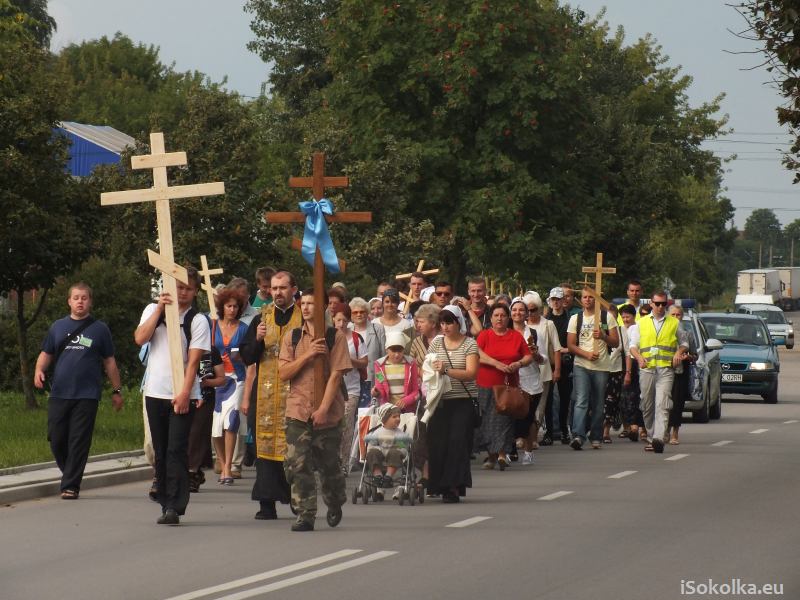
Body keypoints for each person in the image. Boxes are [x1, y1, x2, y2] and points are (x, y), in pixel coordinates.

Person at [134, 268, 211, 525]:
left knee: (176, 449)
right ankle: (165, 499)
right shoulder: (151, 310)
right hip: (154, 391)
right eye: (179, 287)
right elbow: (139, 338)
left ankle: (175, 506)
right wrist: (158, 310)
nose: (183, 293)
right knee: (160, 449)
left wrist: (185, 392)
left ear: (195, 291)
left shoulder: (197, 320)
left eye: (188, 288)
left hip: (181, 394)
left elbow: (193, 361)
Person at [33, 282, 123, 500]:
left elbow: (109, 362)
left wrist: (116, 390)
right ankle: (71, 472)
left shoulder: (100, 329)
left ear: (90, 301)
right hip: (60, 393)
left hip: (87, 394)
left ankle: (71, 485)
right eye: (76, 297)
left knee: (79, 440)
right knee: (56, 439)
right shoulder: (57, 327)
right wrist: (38, 370)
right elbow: (47, 353)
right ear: (69, 301)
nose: (80, 301)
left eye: (84, 297)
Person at [278, 289, 351, 532]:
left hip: (327, 412)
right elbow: (284, 373)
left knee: (329, 465)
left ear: (322, 308)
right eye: (304, 303)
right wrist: (308, 355)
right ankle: (305, 512)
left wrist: (323, 409)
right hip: (297, 409)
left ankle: (334, 501)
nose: (307, 307)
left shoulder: (335, 337)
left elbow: (336, 375)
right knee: (297, 464)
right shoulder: (293, 337)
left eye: (312, 303)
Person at [240, 270, 300, 520]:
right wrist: (257, 339)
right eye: (274, 288)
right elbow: (247, 356)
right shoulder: (261, 318)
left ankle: (298, 499)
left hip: (295, 392)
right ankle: (267, 503)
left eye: (282, 288)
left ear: (293, 289)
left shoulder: (304, 317)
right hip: (264, 395)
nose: (277, 293)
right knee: (264, 446)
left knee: (295, 448)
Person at [427, 306, 479, 502]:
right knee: (438, 441)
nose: (445, 327)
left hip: (462, 400)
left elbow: (471, 373)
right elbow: (427, 366)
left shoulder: (469, 344)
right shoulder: (436, 343)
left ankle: (454, 486)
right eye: (442, 323)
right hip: (440, 399)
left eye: (449, 322)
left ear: (458, 323)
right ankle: (438, 484)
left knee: (457, 442)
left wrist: (446, 370)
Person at [629, 291, 690, 453]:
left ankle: (658, 438)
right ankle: (651, 436)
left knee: (662, 404)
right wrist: (639, 358)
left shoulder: (674, 323)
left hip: (665, 369)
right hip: (647, 369)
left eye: (664, 304)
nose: (660, 307)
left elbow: (684, 342)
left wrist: (679, 352)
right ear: (651, 303)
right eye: (657, 304)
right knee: (647, 405)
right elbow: (633, 346)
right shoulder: (641, 323)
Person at [476, 304, 533, 469]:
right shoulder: (485, 335)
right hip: (486, 384)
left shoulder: (515, 336)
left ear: (508, 318)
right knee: (487, 422)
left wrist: (518, 363)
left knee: (504, 420)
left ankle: (502, 454)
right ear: (491, 318)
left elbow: (528, 356)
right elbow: (476, 354)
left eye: (502, 315)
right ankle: (491, 456)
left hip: (508, 386)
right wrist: (496, 364)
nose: (499, 318)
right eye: (496, 315)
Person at [566, 287, 619, 450]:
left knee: (598, 402)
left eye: (591, 297)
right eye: (585, 297)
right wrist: (586, 354)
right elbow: (570, 345)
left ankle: (596, 435)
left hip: (601, 366)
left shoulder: (607, 317)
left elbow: (616, 342)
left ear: (596, 299)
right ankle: (577, 435)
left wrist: (603, 336)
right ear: (580, 300)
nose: (588, 300)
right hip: (582, 365)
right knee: (581, 400)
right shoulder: (576, 318)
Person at [212, 287, 249, 485]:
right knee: (216, 424)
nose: (232, 310)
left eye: (236, 306)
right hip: (216, 380)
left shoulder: (243, 329)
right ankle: (222, 460)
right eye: (229, 306)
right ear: (222, 307)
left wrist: (240, 356)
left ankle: (227, 468)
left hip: (237, 378)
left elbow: (250, 356)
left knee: (231, 421)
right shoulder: (212, 327)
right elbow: (205, 352)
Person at [509, 298, 544, 464]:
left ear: (527, 313)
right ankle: (510, 449)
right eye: (514, 310)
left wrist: (535, 355)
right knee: (510, 416)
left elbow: (543, 358)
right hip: (510, 380)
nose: (517, 313)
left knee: (528, 417)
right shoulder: (504, 333)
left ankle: (528, 450)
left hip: (531, 381)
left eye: (521, 310)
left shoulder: (534, 333)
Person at [333, 308, 368, 472]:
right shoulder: (329, 337)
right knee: (333, 425)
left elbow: (364, 362)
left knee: (346, 425)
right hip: (332, 388)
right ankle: (332, 461)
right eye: (338, 320)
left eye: (344, 320)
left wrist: (349, 360)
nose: (341, 324)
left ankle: (344, 463)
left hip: (351, 388)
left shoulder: (355, 338)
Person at [525, 291, 561, 447]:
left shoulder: (548, 324)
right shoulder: (522, 326)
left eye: (533, 310)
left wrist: (557, 370)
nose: (530, 313)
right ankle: (524, 435)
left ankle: (533, 437)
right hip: (524, 372)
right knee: (525, 405)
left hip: (544, 370)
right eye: (527, 310)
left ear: (539, 309)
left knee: (540, 407)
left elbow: (557, 349)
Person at [545, 287, 573, 444]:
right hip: (548, 363)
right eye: (553, 299)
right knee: (548, 400)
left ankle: (563, 430)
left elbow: (575, 344)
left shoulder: (570, 321)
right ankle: (549, 432)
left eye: (558, 299)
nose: (555, 302)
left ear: (564, 301)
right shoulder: (545, 321)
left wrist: (564, 350)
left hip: (565, 363)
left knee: (564, 399)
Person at [364, 403, 412, 494]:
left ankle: (388, 476)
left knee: (395, 452)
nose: (398, 419)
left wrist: (400, 445)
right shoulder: (378, 432)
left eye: (399, 416)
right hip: (381, 452)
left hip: (393, 454)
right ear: (385, 419)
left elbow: (403, 447)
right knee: (372, 453)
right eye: (394, 417)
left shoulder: (399, 433)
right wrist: (375, 448)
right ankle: (377, 475)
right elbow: (371, 444)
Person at [349, 296, 386, 403]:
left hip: (373, 380)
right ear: (351, 315)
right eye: (355, 312)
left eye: (362, 311)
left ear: (367, 312)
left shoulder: (378, 329)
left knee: (370, 414)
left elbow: (383, 359)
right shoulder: (347, 330)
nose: (359, 314)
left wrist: (381, 382)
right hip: (352, 382)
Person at [372, 331, 420, 412]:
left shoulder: (411, 364)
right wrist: (376, 393)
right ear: (386, 350)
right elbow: (380, 389)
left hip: (407, 410)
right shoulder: (379, 366)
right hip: (388, 411)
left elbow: (416, 391)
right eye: (393, 351)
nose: (397, 354)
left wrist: (406, 401)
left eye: (400, 351)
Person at [667, 305, 693, 445]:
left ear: (682, 316)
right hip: (664, 370)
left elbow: (694, 355)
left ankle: (674, 433)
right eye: (673, 315)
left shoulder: (687, 333)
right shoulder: (664, 331)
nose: (675, 317)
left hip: (681, 372)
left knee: (677, 403)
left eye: (678, 315)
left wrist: (687, 357)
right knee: (664, 402)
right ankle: (664, 430)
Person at [619, 304, 645, 442]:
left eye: (627, 316)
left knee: (636, 397)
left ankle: (636, 427)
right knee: (624, 398)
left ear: (634, 317)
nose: (625, 319)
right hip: (622, 365)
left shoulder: (637, 328)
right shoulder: (620, 329)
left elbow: (632, 349)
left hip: (636, 364)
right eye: (623, 317)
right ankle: (627, 427)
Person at [602, 304, 624, 443]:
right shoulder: (601, 330)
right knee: (598, 400)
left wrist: (627, 372)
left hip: (615, 370)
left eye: (613, 317)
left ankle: (606, 431)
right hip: (601, 368)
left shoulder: (621, 331)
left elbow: (626, 350)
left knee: (611, 401)